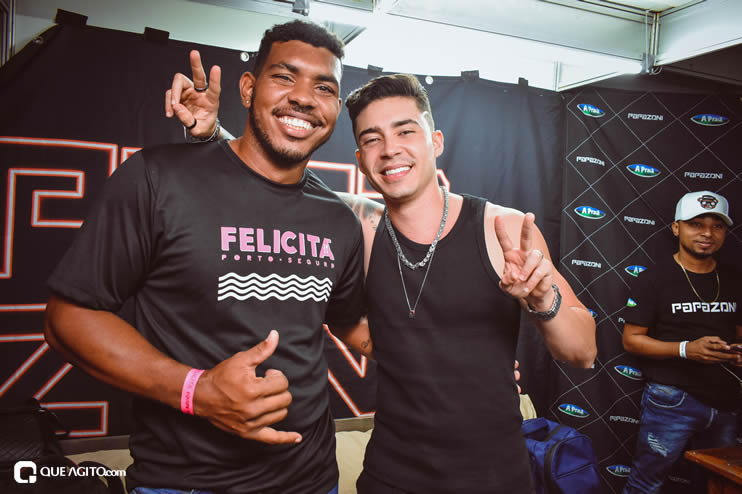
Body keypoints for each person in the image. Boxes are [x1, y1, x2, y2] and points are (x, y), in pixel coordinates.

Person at [172, 64, 597, 492]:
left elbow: (582, 352)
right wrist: (212, 134)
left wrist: (544, 301)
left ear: (435, 141)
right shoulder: (357, 227)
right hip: (390, 477)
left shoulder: (502, 228)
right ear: (360, 160)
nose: (390, 149)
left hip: (495, 478)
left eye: (405, 131)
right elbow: (278, 185)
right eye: (372, 139)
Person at [44, 20, 369, 494]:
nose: (304, 97)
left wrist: (449, 351)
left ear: (335, 108)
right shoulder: (157, 179)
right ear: (248, 87)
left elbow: (349, 320)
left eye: (324, 87)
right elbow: (67, 318)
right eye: (284, 76)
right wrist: (197, 391)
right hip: (187, 483)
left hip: (313, 479)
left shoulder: (339, 219)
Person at [621, 190, 741, 494]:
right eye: (696, 224)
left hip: (726, 401)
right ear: (677, 228)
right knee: (646, 484)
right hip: (672, 399)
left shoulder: (734, 279)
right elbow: (632, 340)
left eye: (717, 226)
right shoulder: (654, 279)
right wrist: (687, 349)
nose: (707, 233)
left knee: (718, 485)